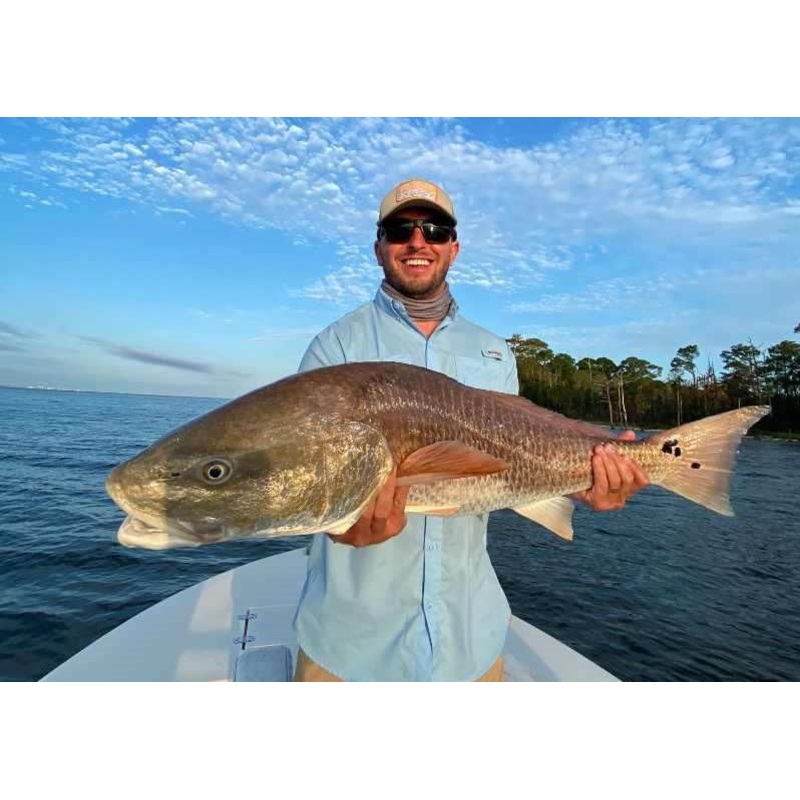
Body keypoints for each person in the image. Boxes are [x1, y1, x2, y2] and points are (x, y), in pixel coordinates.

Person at [293, 178, 649, 682]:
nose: (418, 242)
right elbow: (311, 479)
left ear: (453, 248)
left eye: (434, 230)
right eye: (400, 230)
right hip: (349, 644)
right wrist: (340, 524)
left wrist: (584, 479)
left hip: (471, 641)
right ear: (378, 247)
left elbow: (519, 460)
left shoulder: (495, 351)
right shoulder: (334, 348)